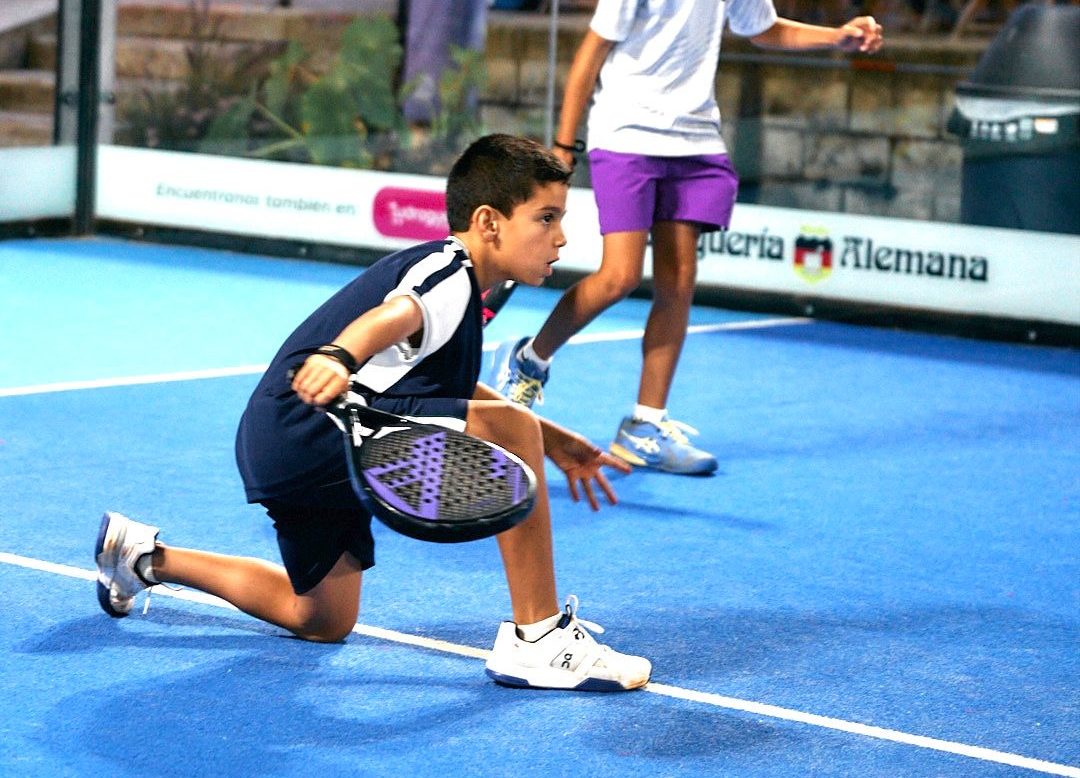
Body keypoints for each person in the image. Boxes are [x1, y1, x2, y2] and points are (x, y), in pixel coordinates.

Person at [94, 134, 650, 692]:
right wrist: (340, 355)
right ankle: (539, 639)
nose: (561, 237)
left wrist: (550, 439)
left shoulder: (461, 291)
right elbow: (395, 315)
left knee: (322, 619)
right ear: (488, 222)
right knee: (512, 426)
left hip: (287, 441)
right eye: (546, 218)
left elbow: (443, 386)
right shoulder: (447, 272)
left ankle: (142, 557)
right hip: (312, 420)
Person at [490, 0, 884, 474]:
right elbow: (591, 55)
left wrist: (835, 36)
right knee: (620, 276)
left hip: (695, 143)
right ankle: (531, 360)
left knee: (679, 282)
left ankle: (645, 426)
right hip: (626, 135)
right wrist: (563, 146)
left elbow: (762, 28)